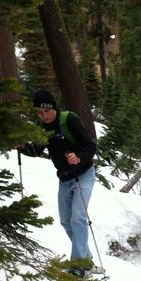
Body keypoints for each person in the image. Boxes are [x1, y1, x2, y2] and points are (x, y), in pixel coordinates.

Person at [18, 89, 96, 268]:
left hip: (83, 174)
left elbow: (90, 146)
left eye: (46, 111)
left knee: (78, 218)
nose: (44, 116)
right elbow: (37, 150)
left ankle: (78, 265)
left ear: (53, 107)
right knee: (66, 222)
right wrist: (22, 147)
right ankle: (86, 259)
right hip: (64, 179)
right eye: (39, 112)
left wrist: (78, 158)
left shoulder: (69, 120)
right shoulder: (43, 127)